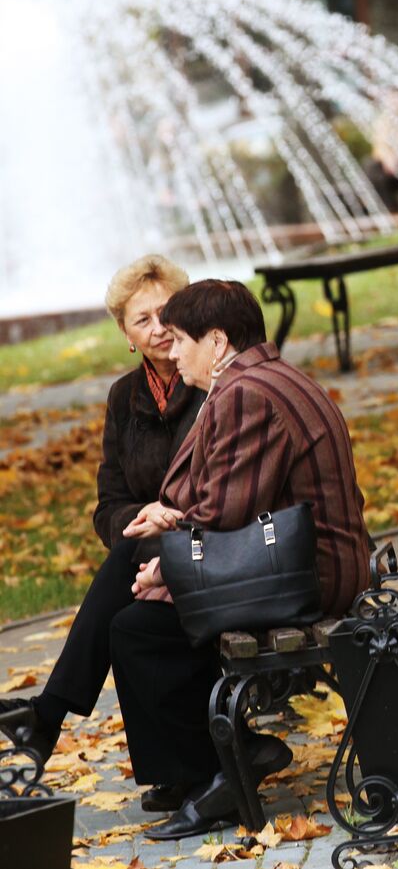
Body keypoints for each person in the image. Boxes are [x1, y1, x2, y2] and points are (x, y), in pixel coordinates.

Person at [111, 279, 371, 840]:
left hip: (313, 577)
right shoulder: (263, 378)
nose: (172, 351)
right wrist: (169, 528)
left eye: (181, 339)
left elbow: (223, 514)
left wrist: (170, 568)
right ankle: (208, 768)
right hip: (314, 562)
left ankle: (223, 769)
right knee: (136, 605)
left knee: (138, 629)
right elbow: (210, 497)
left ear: (219, 341)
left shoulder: (246, 393)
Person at [0, 256, 204, 794]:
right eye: (143, 320)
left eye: (166, 313)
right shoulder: (123, 397)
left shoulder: (209, 381)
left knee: (129, 573)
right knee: (127, 609)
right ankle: (167, 775)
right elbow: (108, 502)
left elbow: (226, 482)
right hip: (145, 550)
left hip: (206, 540)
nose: (159, 328)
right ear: (126, 334)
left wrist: (168, 513)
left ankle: (47, 716)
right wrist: (139, 517)